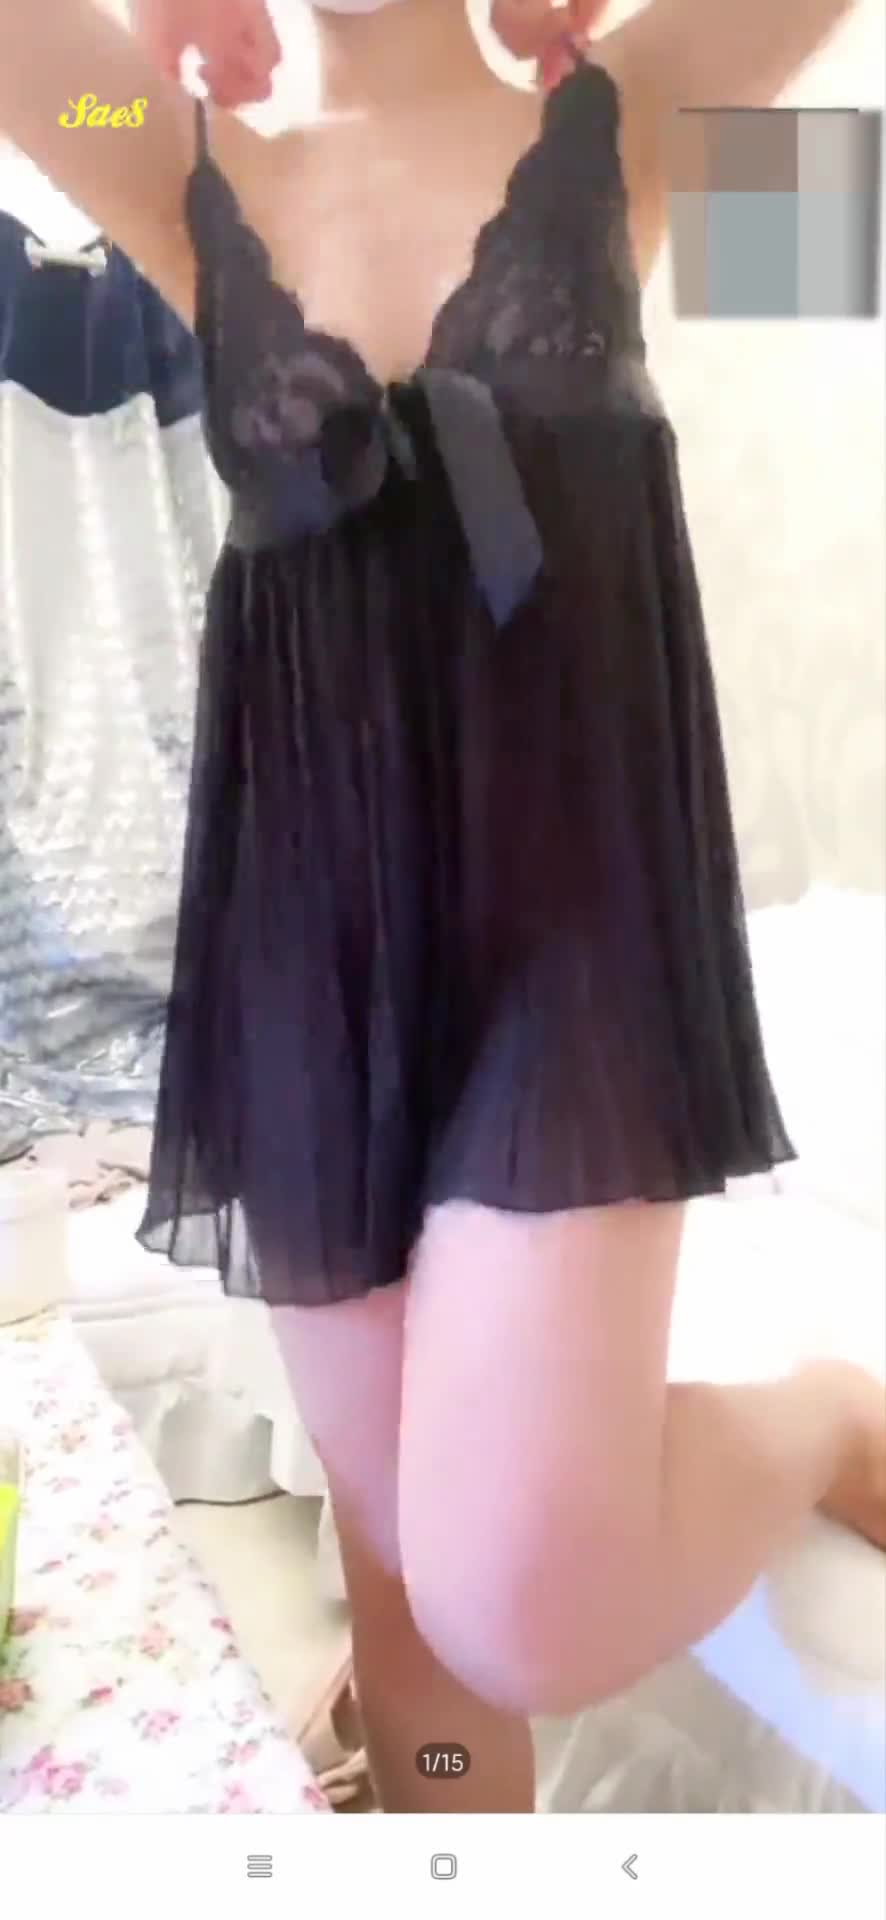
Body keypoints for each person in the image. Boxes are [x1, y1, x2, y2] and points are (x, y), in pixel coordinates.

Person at [2, 0, 882, 1816]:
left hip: (576, 940)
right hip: (305, 953)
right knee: (403, 1566)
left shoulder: (622, 119)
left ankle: (823, 1408)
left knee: (520, 1611)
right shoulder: (158, 155)